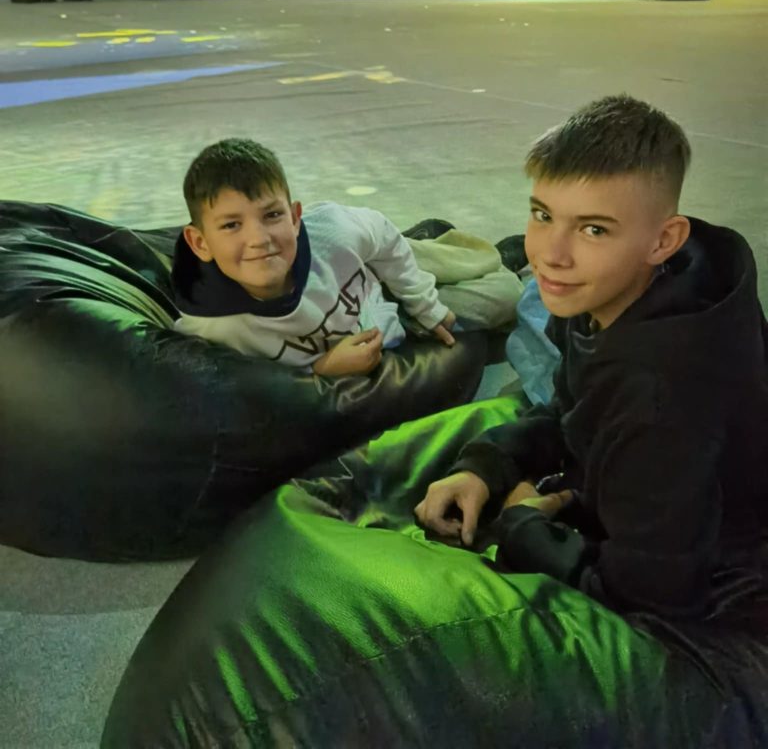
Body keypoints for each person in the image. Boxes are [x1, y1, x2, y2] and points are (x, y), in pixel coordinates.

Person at [416, 94, 768, 619]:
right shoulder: (619, 289)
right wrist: (487, 466)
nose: (550, 254)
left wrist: (524, 528)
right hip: (645, 468)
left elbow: (650, 592)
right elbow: (575, 409)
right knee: (535, 303)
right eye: (543, 215)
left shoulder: (660, 403)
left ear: (664, 240)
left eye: (594, 229)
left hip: (720, 579)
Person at [171, 138, 458, 377]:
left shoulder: (332, 231)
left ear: (296, 218)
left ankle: (428, 238)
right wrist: (320, 369)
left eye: (272, 215)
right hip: (362, 363)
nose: (259, 239)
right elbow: (245, 388)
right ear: (200, 243)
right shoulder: (211, 326)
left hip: (389, 294)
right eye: (232, 225)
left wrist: (425, 306)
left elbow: (383, 232)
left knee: (482, 304)